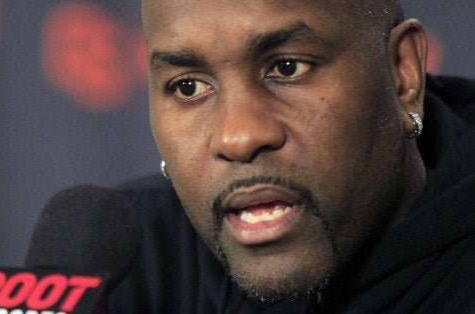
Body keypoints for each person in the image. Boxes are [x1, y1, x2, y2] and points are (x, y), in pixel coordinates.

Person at [108, 0, 474, 312]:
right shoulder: (124, 265)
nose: (238, 138)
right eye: (188, 87)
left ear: (402, 73)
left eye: (287, 68)